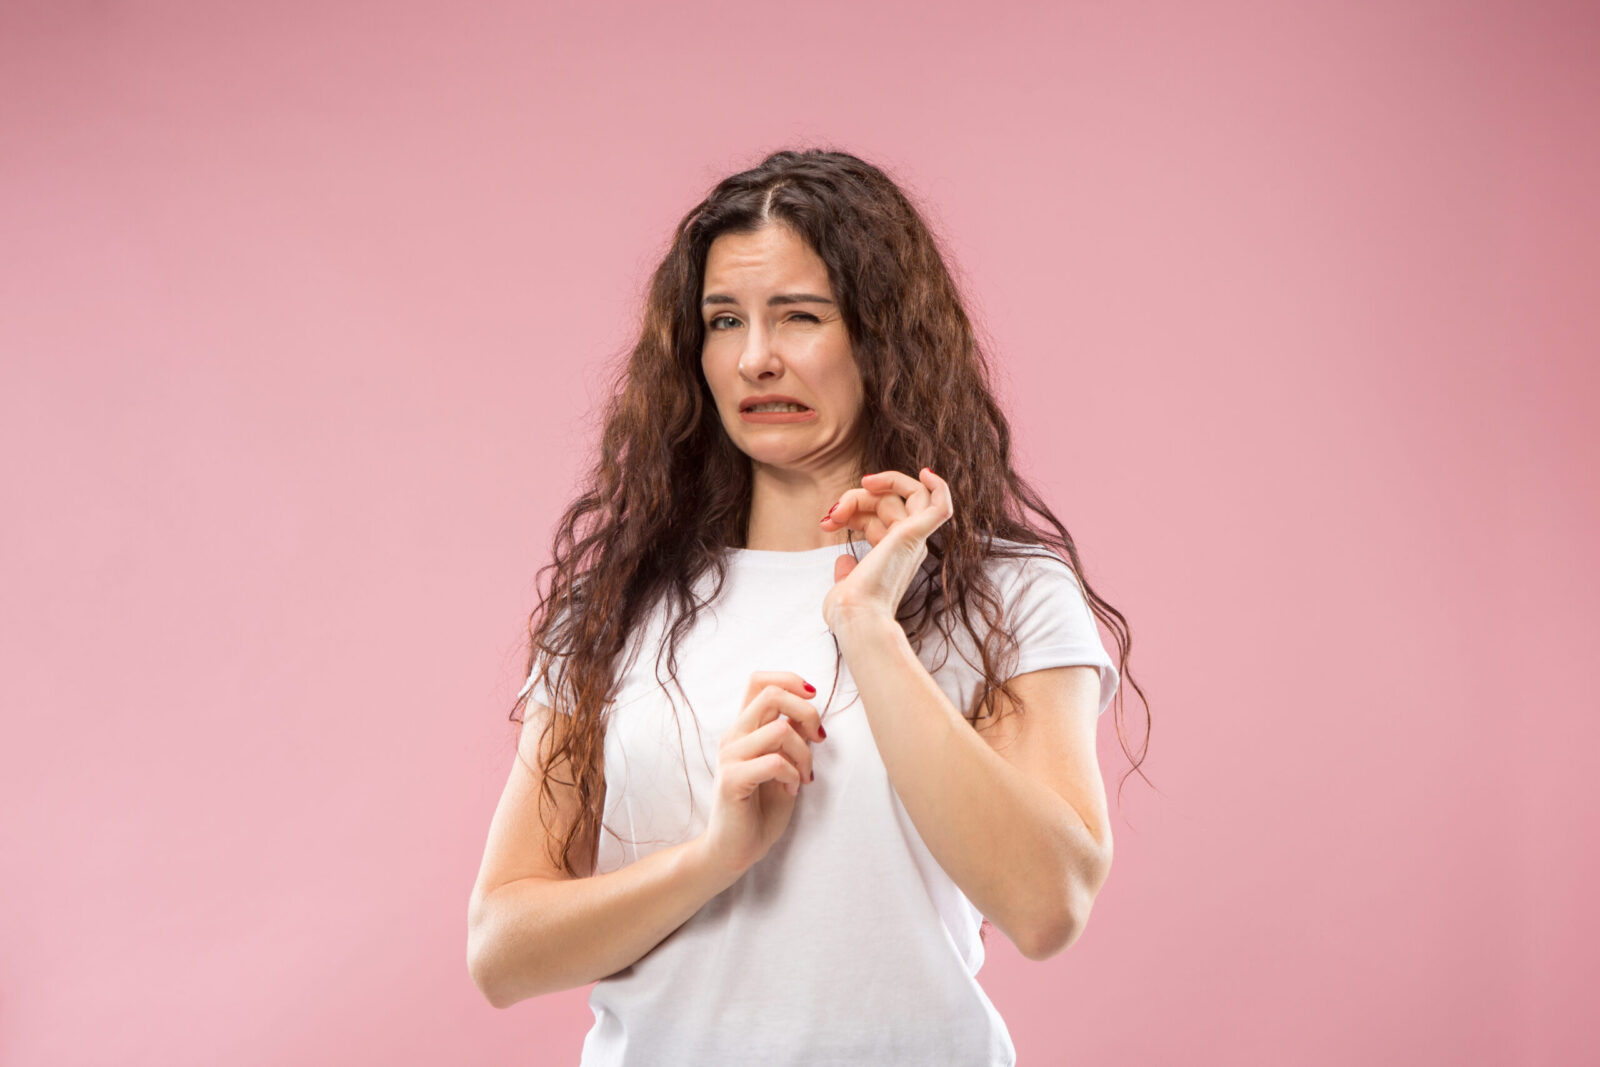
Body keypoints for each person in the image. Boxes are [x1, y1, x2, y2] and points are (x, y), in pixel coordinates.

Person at [467, 148, 1146, 1065]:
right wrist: (716, 855)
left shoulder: (1006, 593)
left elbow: (1047, 902)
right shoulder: (619, 604)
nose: (755, 357)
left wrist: (868, 628)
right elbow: (502, 947)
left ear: (881, 334)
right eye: (723, 319)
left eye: (799, 315)